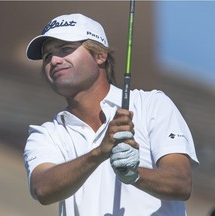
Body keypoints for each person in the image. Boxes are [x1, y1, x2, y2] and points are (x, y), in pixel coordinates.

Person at [23, 13, 199, 216]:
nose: (54, 60)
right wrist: (99, 153)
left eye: (66, 49)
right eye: (47, 56)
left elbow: (181, 183)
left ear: (100, 55)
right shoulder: (46, 134)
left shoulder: (152, 104)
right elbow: (42, 189)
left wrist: (135, 175)